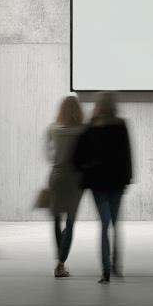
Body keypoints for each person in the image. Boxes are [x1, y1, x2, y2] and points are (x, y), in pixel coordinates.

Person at [73, 91, 133, 283]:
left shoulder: (90, 127)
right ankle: (117, 265)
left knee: (104, 224)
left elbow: (77, 158)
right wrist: (127, 178)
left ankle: (105, 271)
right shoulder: (121, 125)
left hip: (97, 183)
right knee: (116, 224)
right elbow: (127, 155)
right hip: (116, 183)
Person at [48, 96, 86, 277]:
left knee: (56, 218)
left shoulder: (52, 128)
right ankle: (60, 263)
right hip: (76, 180)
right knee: (70, 222)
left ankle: (59, 258)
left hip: (56, 177)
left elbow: (47, 153)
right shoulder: (83, 130)